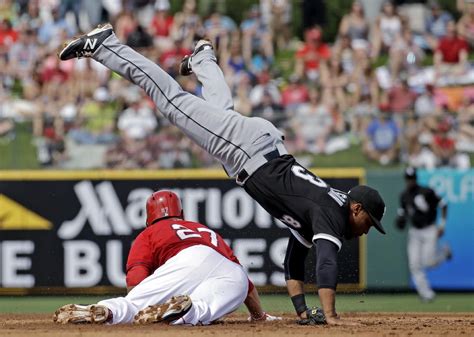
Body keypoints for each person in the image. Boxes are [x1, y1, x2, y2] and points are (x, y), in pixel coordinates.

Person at [58, 23, 387, 326]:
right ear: (356, 208)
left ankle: (202, 57)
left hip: (257, 148)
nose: (367, 229)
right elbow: (327, 263)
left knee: (219, 111)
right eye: (369, 221)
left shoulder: (326, 210)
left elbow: (295, 261)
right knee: (171, 101)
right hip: (248, 150)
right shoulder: (334, 213)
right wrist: (330, 315)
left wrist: (302, 310)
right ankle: (106, 46)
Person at [54, 190, 279, 325]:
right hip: (232, 273)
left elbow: (136, 278)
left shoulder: (150, 232)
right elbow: (246, 284)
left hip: (187, 260)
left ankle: (108, 310)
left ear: (148, 218)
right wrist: (258, 315)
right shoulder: (203, 229)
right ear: (181, 214)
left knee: (133, 306)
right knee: (202, 308)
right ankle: (188, 311)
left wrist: (145, 302)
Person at [395, 167, 452, 302]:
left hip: (429, 229)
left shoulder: (426, 191)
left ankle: (444, 253)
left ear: (416, 178)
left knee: (429, 262)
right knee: (414, 265)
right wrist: (400, 220)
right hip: (414, 231)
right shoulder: (404, 196)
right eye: (408, 179)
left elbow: (443, 204)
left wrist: (442, 224)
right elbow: (401, 217)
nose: (410, 182)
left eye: (412, 179)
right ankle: (426, 293)